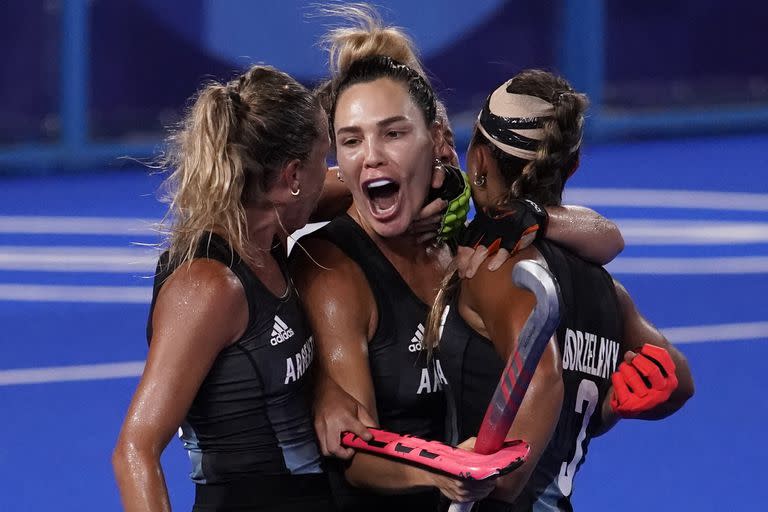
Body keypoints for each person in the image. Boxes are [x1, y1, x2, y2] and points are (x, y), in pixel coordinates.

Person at [290, 7, 627, 510]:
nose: (372, 155)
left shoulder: (467, 242)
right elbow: (354, 454)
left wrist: (535, 216)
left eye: (394, 133)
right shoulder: (332, 267)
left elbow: (609, 236)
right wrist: (446, 469)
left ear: (443, 143)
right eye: (351, 141)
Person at [426, 69, 695, 511]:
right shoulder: (608, 292)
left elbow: (543, 379)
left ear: (476, 160)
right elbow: (677, 380)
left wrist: (491, 474)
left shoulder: (498, 268)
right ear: (571, 167)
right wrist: (606, 409)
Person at [112, 64, 341, 512]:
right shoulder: (208, 287)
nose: (329, 171)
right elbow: (134, 451)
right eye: (324, 157)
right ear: (293, 177)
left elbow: (352, 185)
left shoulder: (265, 233)